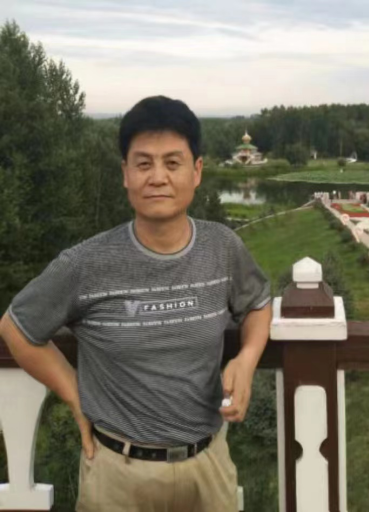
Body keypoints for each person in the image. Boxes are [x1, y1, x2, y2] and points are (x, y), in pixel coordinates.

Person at [0, 96, 272, 512]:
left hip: (209, 466)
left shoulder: (222, 247)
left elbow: (257, 303)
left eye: (173, 163)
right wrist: (75, 395)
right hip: (117, 474)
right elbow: (16, 327)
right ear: (125, 174)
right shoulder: (86, 263)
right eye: (144, 163)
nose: (158, 177)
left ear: (197, 171)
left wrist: (247, 358)